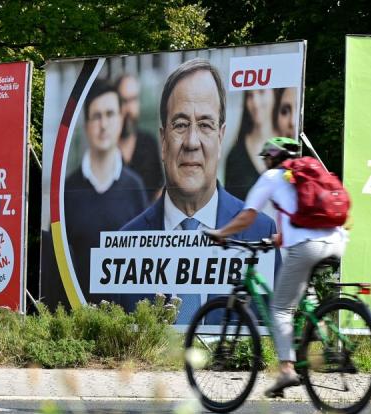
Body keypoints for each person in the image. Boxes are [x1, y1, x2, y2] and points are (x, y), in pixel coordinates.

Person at [118, 58, 277, 320]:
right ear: (163, 141)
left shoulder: (261, 233)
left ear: (221, 136)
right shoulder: (126, 244)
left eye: (205, 125)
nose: (192, 142)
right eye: (180, 125)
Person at [207, 137, 348, 398]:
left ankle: (286, 370)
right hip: (337, 242)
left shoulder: (273, 177)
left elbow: (248, 215)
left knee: (280, 308)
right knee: (302, 296)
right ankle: (321, 333)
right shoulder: (307, 174)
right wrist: (274, 240)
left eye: (266, 158)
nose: (265, 163)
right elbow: (297, 222)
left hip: (307, 246)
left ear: (272, 157)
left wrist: (222, 232)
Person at [64, 78, 148, 304]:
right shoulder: (67, 190)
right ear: (86, 125)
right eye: (96, 116)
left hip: (127, 325)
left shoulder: (135, 187)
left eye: (110, 114)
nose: (103, 124)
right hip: (77, 322)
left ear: (121, 119)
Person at [116, 73, 163, 203]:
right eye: (124, 101)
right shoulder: (106, 148)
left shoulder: (149, 143)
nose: (129, 108)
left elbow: (159, 190)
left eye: (133, 99)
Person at [224, 89, 275, 200]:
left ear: (274, 94)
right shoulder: (235, 156)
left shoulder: (288, 145)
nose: (255, 103)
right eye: (250, 96)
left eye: (261, 92)